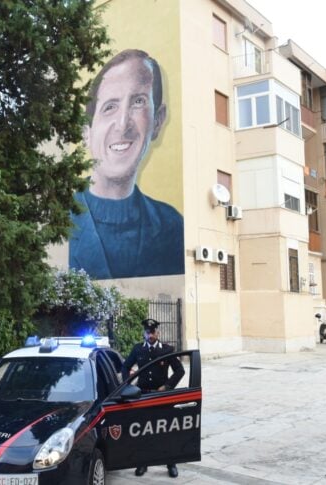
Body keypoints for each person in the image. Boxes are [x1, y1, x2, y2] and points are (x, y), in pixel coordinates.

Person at [69, 49, 184, 280]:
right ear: (86, 132)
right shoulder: (56, 219)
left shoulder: (172, 227)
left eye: (138, 102)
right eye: (109, 107)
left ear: (157, 121)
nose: (122, 124)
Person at [122, 318, 186, 478]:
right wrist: (128, 386)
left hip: (161, 396)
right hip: (143, 395)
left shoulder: (167, 350)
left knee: (166, 430)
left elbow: (180, 371)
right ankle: (143, 462)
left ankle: (171, 463)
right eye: (147, 332)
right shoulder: (138, 349)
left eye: (153, 332)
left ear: (158, 332)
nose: (150, 335)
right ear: (144, 333)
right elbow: (125, 367)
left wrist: (167, 386)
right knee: (144, 430)